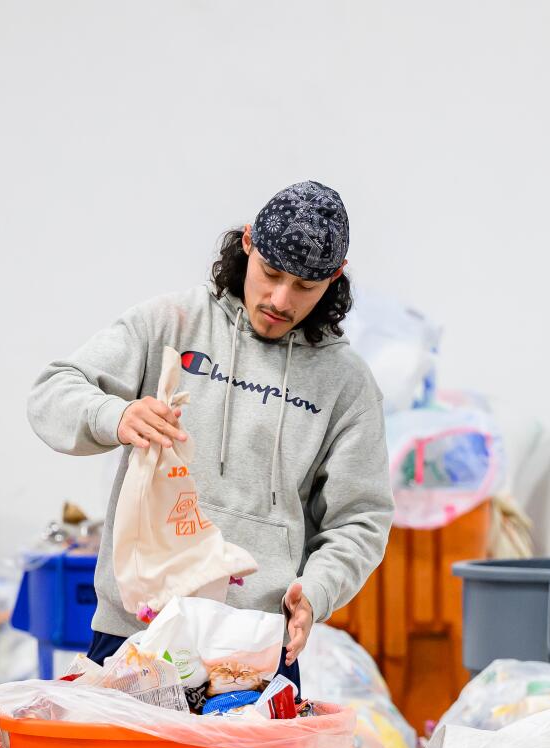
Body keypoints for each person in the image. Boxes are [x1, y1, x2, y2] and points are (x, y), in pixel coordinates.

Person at [27, 181, 391, 691]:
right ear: (247, 244)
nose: (281, 300)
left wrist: (319, 588)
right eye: (272, 274)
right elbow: (51, 393)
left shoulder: (347, 384)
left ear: (334, 279)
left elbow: (361, 518)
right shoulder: (170, 323)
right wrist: (116, 415)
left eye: (305, 287)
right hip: (137, 633)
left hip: (255, 650)